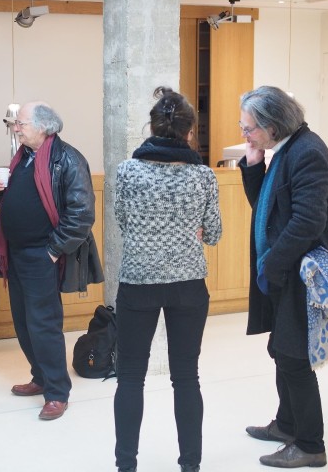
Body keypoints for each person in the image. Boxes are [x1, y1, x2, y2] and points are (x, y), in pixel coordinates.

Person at [238, 86, 328, 468]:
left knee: (295, 359)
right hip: (283, 272)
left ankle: (309, 445)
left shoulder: (308, 153)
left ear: (272, 126)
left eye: (250, 128)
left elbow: (308, 222)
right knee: (281, 351)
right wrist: (253, 164)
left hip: (300, 276)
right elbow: (266, 208)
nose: (245, 135)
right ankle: (287, 425)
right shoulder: (285, 150)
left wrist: (272, 265)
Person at [113, 86, 222, 472]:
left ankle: (126, 465)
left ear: (153, 127)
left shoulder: (128, 171)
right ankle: (190, 465)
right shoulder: (203, 176)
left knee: (130, 377)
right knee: (186, 377)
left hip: (138, 283)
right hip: (188, 285)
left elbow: (123, 222)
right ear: (189, 132)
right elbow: (214, 234)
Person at [0, 101, 103, 420]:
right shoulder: (24, 157)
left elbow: (82, 214)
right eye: (16, 123)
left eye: (21, 123)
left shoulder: (68, 159)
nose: (16, 128)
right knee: (23, 322)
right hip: (16, 252)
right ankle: (40, 377)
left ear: (43, 126)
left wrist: (53, 250)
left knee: (44, 324)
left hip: (43, 254)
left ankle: (57, 392)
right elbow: (14, 201)